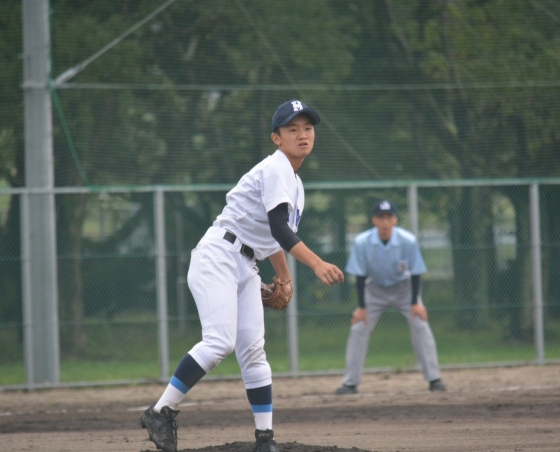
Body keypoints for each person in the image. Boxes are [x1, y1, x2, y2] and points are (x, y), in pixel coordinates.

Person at [140, 99, 344, 452]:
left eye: (308, 128)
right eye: (292, 129)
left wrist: (284, 278)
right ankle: (160, 411)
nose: (302, 134)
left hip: (245, 263)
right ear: (276, 138)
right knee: (219, 341)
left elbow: (272, 236)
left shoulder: (294, 182)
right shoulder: (277, 169)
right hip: (219, 255)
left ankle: (265, 439)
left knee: (253, 351)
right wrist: (315, 264)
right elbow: (280, 228)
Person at [335, 200, 446, 395]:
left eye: (389, 217)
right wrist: (362, 307)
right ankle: (350, 383)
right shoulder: (362, 242)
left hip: (404, 290)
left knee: (420, 324)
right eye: (381, 217)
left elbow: (416, 271)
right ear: (374, 220)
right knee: (358, 328)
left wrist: (415, 303)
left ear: (395, 220)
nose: (385, 221)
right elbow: (359, 275)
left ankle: (434, 379)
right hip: (375, 290)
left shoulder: (407, 240)